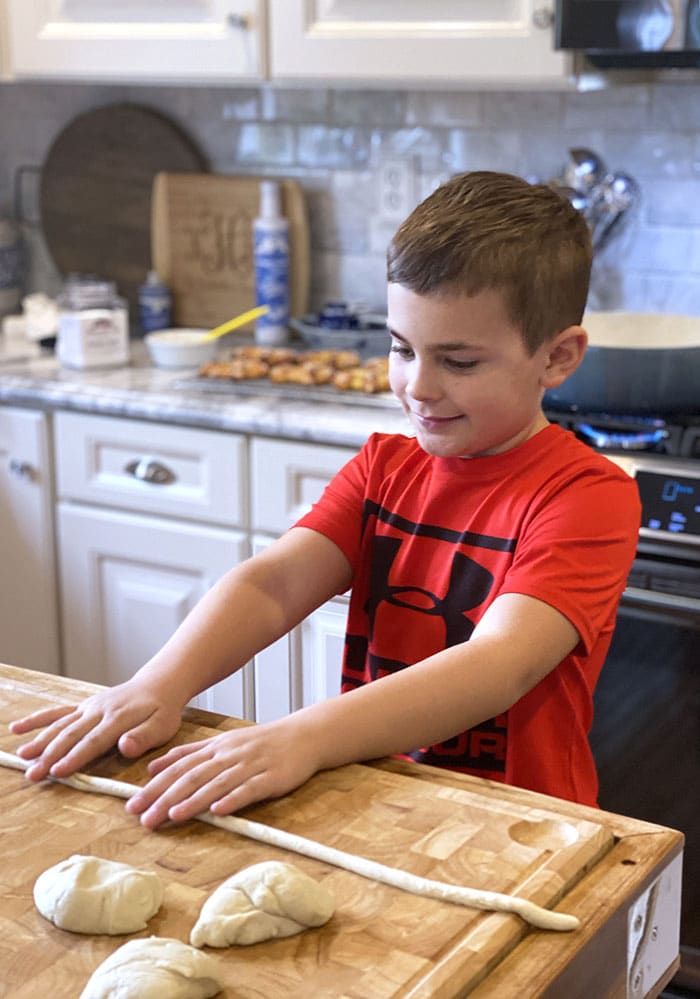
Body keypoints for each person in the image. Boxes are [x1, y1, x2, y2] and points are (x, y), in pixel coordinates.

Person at [10, 171, 640, 829]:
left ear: (558, 357)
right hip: (375, 799)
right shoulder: (383, 466)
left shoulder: (587, 495)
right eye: (401, 349)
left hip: (524, 826)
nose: (417, 385)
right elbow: (273, 583)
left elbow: (495, 665)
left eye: (459, 361)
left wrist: (300, 736)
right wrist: (157, 684)